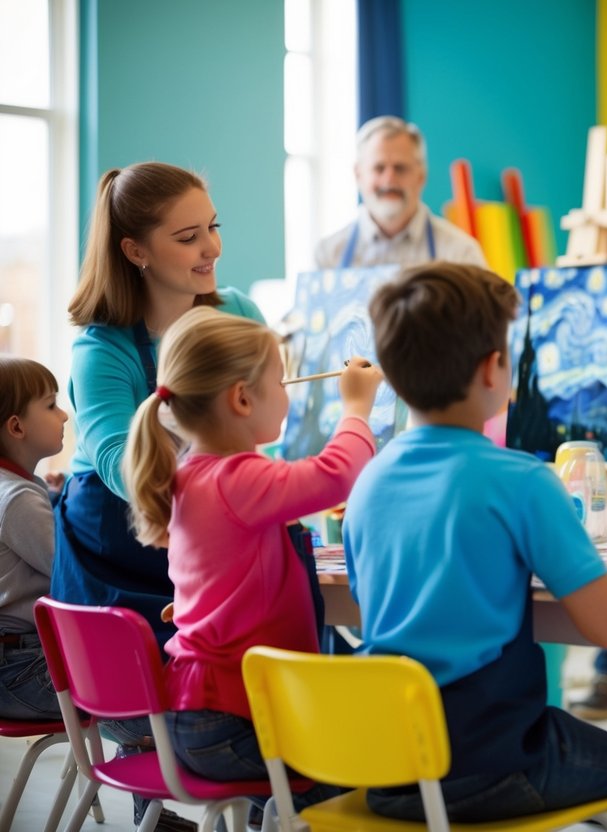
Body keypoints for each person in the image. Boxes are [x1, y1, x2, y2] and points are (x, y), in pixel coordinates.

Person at [344, 262, 607, 830]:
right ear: (493, 369)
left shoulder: (367, 480)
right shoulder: (521, 481)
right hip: (487, 762)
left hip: (384, 764)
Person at [52, 161, 266, 831]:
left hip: (205, 528)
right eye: (188, 236)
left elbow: (258, 431)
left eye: (214, 228)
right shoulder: (102, 348)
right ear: (135, 251)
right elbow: (122, 466)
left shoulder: (237, 311)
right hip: (121, 544)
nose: (213, 249)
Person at [122, 306, 381, 808]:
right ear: (241, 398)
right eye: (281, 383)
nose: (288, 394)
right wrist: (356, 409)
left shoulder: (191, 474)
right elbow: (337, 474)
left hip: (195, 713)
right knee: (367, 779)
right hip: (231, 719)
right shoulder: (237, 480)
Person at [313, 116, 487, 271]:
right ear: (359, 175)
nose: (389, 179)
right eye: (379, 168)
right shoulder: (327, 256)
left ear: (421, 176)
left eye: (400, 168)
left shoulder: (461, 254)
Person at [0, 356, 70, 721]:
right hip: (18, 668)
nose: (64, 415)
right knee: (135, 679)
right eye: (51, 404)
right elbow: (68, 570)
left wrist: (54, 497)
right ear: (16, 427)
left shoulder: (14, 488)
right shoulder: (18, 499)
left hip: (14, 662)